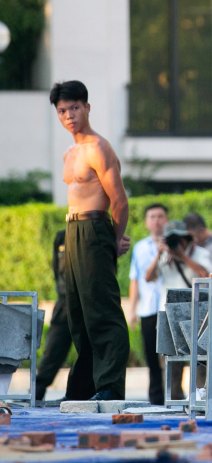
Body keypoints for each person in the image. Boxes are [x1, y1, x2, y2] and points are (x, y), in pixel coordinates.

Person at [51, 80, 131, 401]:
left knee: (102, 310)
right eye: (62, 110)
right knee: (78, 313)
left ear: (86, 107)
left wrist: (111, 240)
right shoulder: (70, 153)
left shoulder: (99, 148)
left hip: (95, 228)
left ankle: (110, 385)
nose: (69, 115)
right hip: (71, 232)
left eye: (74, 108)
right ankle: (83, 388)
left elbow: (120, 202)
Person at [146, 219, 212, 400]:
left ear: (186, 238)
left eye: (178, 238)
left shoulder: (200, 253)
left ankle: (201, 401)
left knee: (200, 362)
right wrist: (159, 253)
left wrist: (182, 256)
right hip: (168, 315)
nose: (175, 243)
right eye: (170, 239)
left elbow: (206, 275)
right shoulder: (163, 256)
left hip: (197, 315)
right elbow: (148, 277)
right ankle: (173, 400)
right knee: (170, 364)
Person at [128, 203, 169, 406]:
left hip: (167, 309)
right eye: (152, 216)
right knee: (151, 359)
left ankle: (173, 397)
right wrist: (132, 309)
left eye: (160, 216)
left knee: (169, 357)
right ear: (146, 222)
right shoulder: (140, 247)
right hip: (147, 309)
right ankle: (155, 400)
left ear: (167, 220)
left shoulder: (175, 244)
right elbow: (135, 279)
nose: (156, 220)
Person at [35, 230, 72, 402]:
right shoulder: (62, 236)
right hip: (65, 301)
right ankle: (38, 388)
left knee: (90, 350)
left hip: (89, 302)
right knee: (54, 347)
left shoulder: (98, 233)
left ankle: (79, 391)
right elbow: (57, 271)